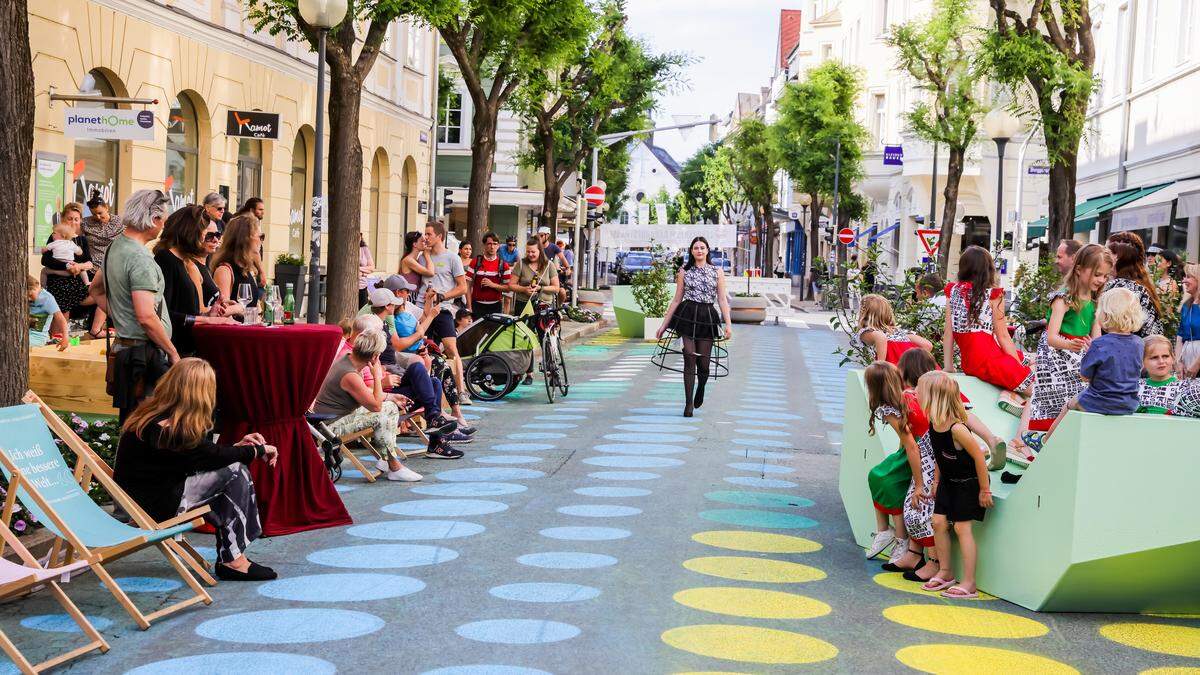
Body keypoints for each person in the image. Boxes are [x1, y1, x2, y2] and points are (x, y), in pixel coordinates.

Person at [114, 358, 277, 581]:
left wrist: (239, 448)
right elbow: (207, 455)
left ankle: (232, 556)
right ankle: (233, 559)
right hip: (155, 507)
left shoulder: (153, 416)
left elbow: (200, 456)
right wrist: (258, 451)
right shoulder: (168, 428)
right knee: (235, 472)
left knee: (230, 471)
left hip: (144, 501)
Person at [88, 189, 177, 422]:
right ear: (154, 219)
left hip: (127, 353)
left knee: (132, 426)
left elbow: (95, 290)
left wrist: (121, 315)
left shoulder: (113, 248)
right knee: (149, 428)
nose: (163, 226)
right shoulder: (140, 258)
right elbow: (146, 316)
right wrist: (173, 352)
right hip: (144, 357)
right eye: (163, 220)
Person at [1014, 244, 1110, 454]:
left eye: (1104, 276)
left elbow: (1097, 335)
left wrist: (1095, 348)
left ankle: (1061, 447)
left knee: (1077, 399)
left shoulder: (1095, 301)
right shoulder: (1063, 299)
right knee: (1052, 400)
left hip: (1079, 355)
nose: (1101, 280)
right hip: (1057, 359)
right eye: (1097, 274)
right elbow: (1051, 337)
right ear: (1079, 269)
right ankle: (1038, 449)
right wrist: (1070, 344)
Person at [312, 329, 425, 481]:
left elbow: (364, 393)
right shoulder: (349, 374)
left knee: (390, 406)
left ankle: (388, 460)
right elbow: (376, 407)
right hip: (330, 427)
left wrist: (390, 396)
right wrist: (377, 376)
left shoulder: (348, 359)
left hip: (333, 419)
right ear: (375, 356)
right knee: (383, 412)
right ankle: (393, 465)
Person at [367, 286, 470, 450]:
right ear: (388, 306)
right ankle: (436, 427)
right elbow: (378, 360)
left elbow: (393, 350)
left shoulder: (385, 323)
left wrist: (428, 303)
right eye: (394, 303)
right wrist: (382, 378)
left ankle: (436, 430)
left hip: (392, 374)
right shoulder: (374, 327)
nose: (399, 302)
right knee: (420, 368)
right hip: (385, 385)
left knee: (434, 381)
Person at [918, 371, 992, 600]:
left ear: (933, 396)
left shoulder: (957, 428)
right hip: (948, 482)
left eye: (920, 392)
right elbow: (942, 456)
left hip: (967, 484)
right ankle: (946, 572)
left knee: (962, 528)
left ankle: (969, 583)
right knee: (938, 521)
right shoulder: (934, 422)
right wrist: (936, 481)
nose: (917, 395)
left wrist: (984, 489)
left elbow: (979, 458)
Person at [1043, 287, 1146, 441]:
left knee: (1070, 404)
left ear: (1104, 315)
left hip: (1100, 400)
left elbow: (1084, 376)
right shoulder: (1139, 343)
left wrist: (1092, 351)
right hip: (1128, 402)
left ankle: (1046, 441)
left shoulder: (1099, 344)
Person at [943, 246, 1032, 415]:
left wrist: (948, 367)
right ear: (988, 270)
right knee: (1037, 388)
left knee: (1029, 360)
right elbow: (1004, 336)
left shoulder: (952, 291)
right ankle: (1009, 397)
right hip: (990, 360)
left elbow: (948, 333)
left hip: (971, 363)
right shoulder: (993, 295)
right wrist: (1017, 366)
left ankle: (1010, 395)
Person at [656, 237, 733, 418]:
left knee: (704, 365)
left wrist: (728, 324)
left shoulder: (717, 271)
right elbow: (676, 299)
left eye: (702, 248)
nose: (699, 250)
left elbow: (722, 299)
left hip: (707, 316)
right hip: (687, 315)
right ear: (691, 251)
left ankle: (701, 388)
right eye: (696, 248)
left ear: (707, 251)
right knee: (689, 356)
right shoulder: (684, 271)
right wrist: (663, 325)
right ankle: (688, 403)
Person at [861, 361, 923, 571]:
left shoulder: (890, 409)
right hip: (916, 448)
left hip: (922, 452)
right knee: (877, 474)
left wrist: (919, 483)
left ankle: (901, 539)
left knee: (891, 482)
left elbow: (912, 446)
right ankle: (884, 531)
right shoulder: (907, 396)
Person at [154, 205, 238, 355]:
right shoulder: (166, 258)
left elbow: (188, 311)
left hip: (188, 347)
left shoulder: (185, 261)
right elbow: (164, 313)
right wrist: (206, 320)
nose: (206, 235)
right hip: (174, 350)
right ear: (189, 230)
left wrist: (209, 314)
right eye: (204, 230)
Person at [416, 221, 470, 401]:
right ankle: (426, 393)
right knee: (421, 348)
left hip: (443, 309)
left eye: (429, 234)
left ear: (439, 236)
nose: (426, 237)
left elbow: (462, 288)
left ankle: (461, 391)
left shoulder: (452, 258)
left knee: (450, 348)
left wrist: (443, 296)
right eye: (425, 234)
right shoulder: (423, 257)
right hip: (422, 309)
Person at [506, 238, 562, 385]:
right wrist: (524, 289)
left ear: (540, 251)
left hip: (543, 305)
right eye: (528, 251)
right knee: (525, 338)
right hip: (524, 305)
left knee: (546, 337)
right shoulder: (521, 264)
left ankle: (552, 371)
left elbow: (556, 287)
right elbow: (511, 285)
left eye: (533, 252)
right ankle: (528, 373)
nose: (530, 254)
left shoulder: (549, 265)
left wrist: (541, 288)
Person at [42, 203, 101, 335]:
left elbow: (89, 262)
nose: (73, 222)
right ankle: (57, 338)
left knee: (103, 294)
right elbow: (45, 260)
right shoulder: (55, 236)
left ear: (80, 221)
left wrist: (79, 266)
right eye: (70, 218)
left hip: (77, 282)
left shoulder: (81, 240)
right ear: (63, 219)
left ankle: (95, 329)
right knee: (64, 305)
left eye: (76, 219)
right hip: (59, 281)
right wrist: (67, 266)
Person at [1104, 231, 1163, 337]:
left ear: (1117, 257)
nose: (1102, 257)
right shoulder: (1143, 287)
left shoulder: (1117, 287)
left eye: (1106, 253)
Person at [856, 294, 933, 365]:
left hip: (891, 374)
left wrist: (880, 365)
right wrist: (914, 367)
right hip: (913, 374)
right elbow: (927, 345)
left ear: (864, 312)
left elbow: (880, 337)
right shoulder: (900, 332)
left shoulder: (867, 332)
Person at [211, 214, 265, 307]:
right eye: (261, 236)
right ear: (246, 238)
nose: (261, 241)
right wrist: (241, 309)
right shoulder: (225, 270)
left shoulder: (245, 268)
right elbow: (222, 312)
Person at [465, 232, 511, 317]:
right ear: (484, 245)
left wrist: (492, 285)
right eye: (489, 244)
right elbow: (467, 286)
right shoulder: (475, 262)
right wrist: (469, 307)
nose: (492, 247)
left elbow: (508, 288)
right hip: (476, 305)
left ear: (498, 246)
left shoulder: (504, 265)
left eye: (495, 244)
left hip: (496, 306)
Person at [1138, 335, 1182, 414]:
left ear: (1173, 358)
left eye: (1165, 356)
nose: (1161, 361)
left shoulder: (1183, 389)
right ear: (1142, 361)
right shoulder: (1135, 387)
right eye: (1154, 357)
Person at [82, 191, 122, 269]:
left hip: (114, 266)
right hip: (92, 267)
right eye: (93, 214)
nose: (98, 217)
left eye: (100, 213)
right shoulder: (85, 223)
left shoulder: (120, 222)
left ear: (106, 208)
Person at [28, 275, 68, 351]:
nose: (28, 299)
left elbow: (61, 320)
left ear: (37, 285)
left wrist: (65, 337)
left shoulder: (47, 299)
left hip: (38, 338)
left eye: (30, 295)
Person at [1175, 263, 1200, 378]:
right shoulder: (1186, 305)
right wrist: (1178, 361)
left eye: (1188, 276)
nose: (1184, 281)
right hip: (1186, 359)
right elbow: (1180, 337)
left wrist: (1197, 363)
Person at [400, 230, 434, 298]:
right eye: (422, 241)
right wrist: (427, 255)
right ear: (414, 244)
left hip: (414, 294)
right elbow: (430, 272)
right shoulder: (408, 260)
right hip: (409, 295)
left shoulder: (416, 260)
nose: (425, 243)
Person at [358, 233, 376, 308]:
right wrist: (365, 271)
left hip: (363, 284)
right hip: (352, 286)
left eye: (359, 235)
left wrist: (359, 270)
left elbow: (372, 268)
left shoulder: (364, 249)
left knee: (362, 309)